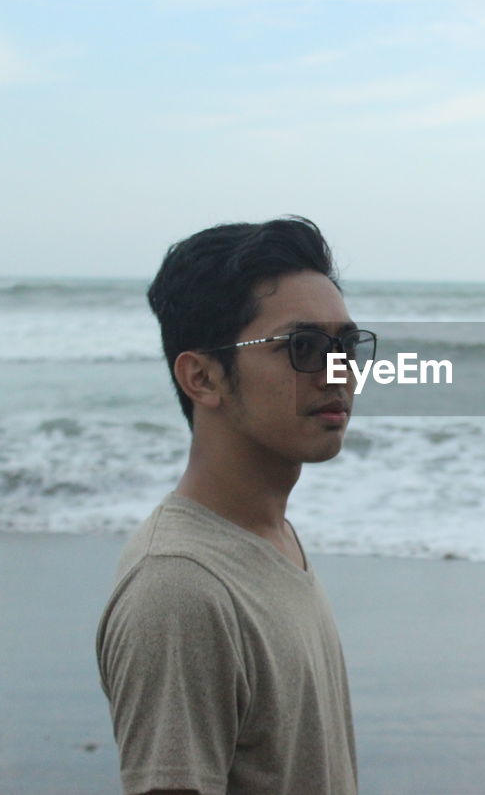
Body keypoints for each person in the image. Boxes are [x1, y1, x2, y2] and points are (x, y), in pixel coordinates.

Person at [96, 216, 374, 795]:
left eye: (347, 344)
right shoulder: (179, 588)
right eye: (302, 346)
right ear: (202, 377)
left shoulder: (271, 537)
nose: (339, 369)